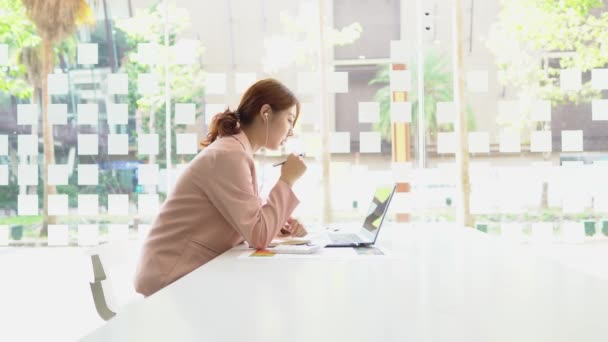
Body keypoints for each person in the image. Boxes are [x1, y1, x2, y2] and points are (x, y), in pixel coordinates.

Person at [134, 78, 308, 297]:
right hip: (172, 276)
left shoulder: (236, 151)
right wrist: (287, 181)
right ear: (265, 113)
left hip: (190, 269)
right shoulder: (229, 155)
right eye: (289, 120)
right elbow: (258, 235)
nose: (291, 131)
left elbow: (250, 222)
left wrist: (279, 223)